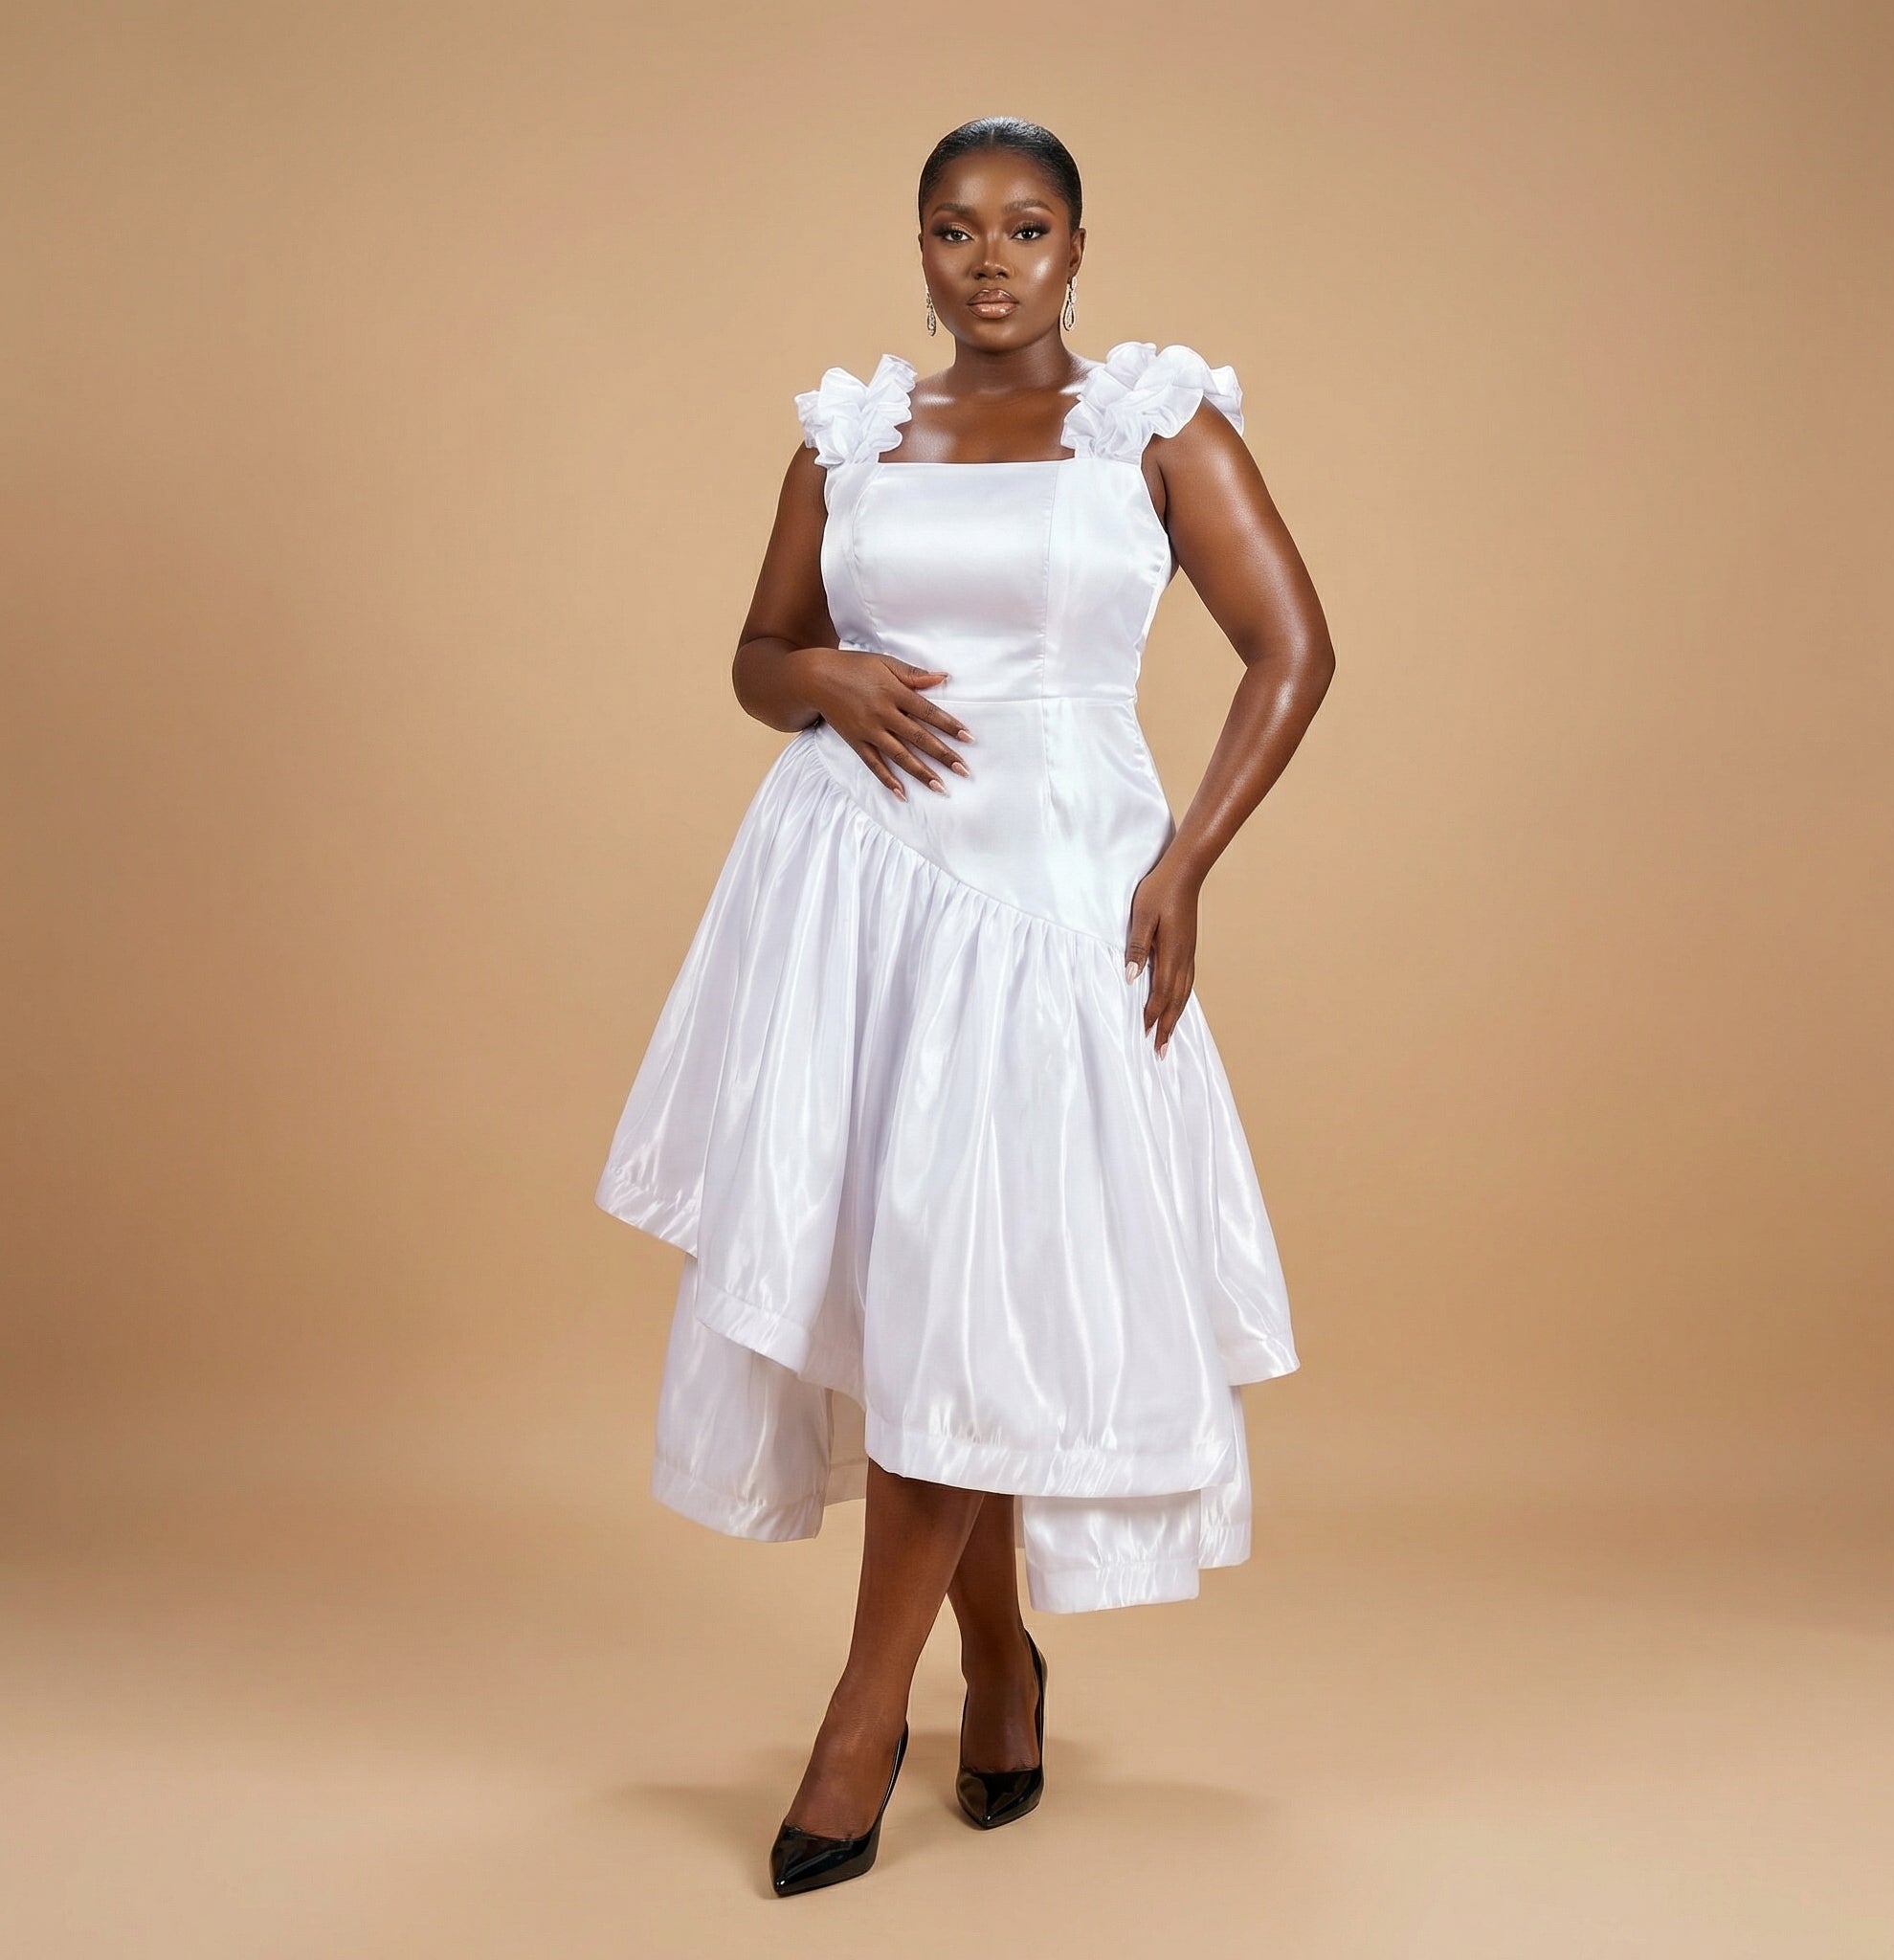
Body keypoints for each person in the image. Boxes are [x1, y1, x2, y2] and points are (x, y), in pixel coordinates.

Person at [594, 115, 1336, 1895]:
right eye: (952, 230)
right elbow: (758, 656)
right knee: (918, 1281)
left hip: (1053, 894)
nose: (987, 260)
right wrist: (827, 679)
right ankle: (996, 1666)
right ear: (916, 251)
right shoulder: (851, 436)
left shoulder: (1154, 429)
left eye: (1024, 227)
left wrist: (1183, 866)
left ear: (1080, 245)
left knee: (963, 1267)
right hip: (855, 893)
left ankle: (865, 1716)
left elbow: (1293, 649)